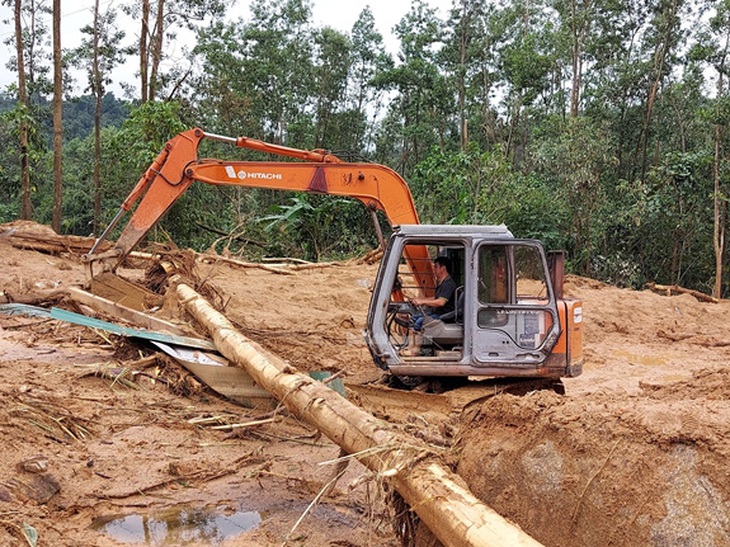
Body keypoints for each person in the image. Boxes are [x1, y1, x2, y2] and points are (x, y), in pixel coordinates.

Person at [405, 256, 457, 356]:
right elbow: (436, 297)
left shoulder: (448, 284)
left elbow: (440, 302)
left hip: (444, 315)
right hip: (438, 312)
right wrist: (420, 300)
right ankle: (410, 347)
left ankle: (415, 350)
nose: (434, 270)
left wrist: (422, 302)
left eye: (436, 267)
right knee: (413, 318)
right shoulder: (442, 282)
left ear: (443, 268)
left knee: (420, 321)